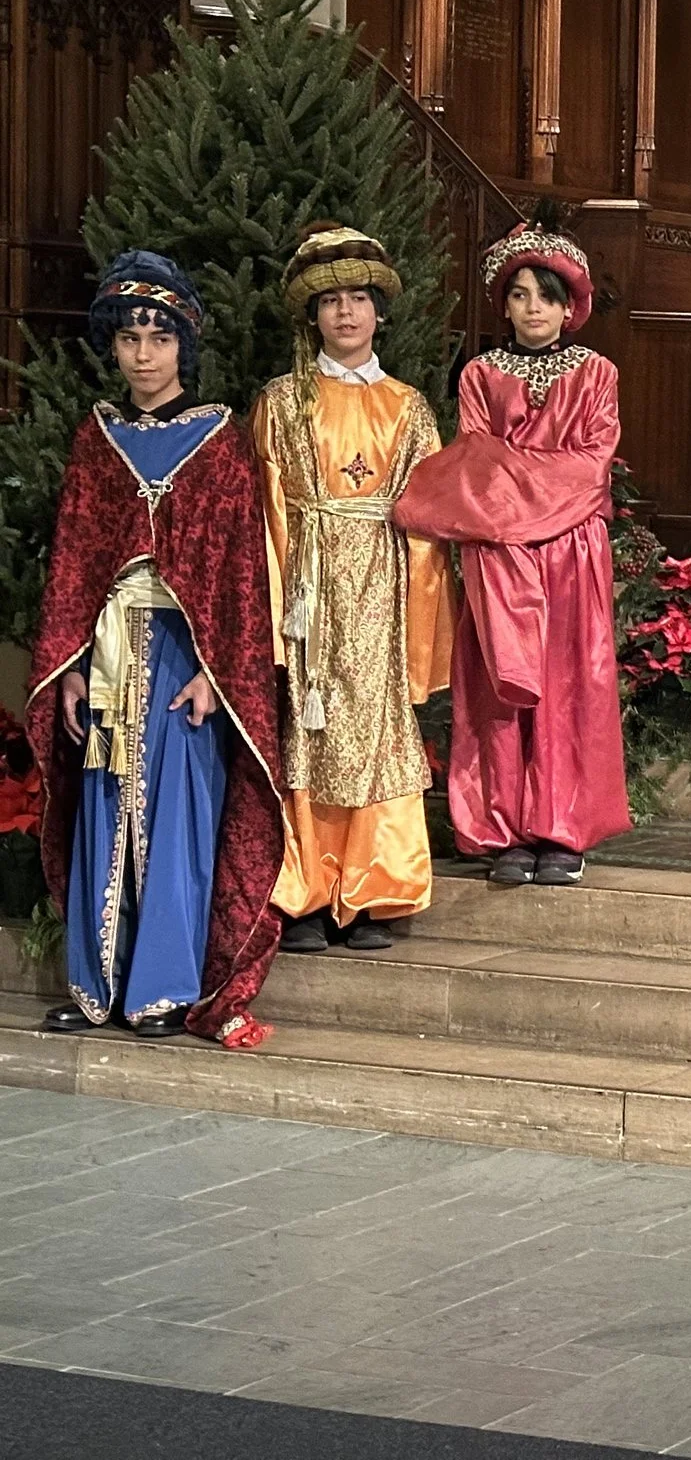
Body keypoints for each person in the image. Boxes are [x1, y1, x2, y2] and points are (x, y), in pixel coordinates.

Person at [28, 254, 286, 1048]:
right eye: (131, 338)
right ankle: (97, 984)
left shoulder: (220, 441)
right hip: (106, 655)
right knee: (105, 813)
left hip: (185, 660)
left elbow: (242, 571)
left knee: (176, 820)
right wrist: (70, 666)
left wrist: (218, 671)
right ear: (113, 347)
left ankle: (166, 989)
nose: (144, 354)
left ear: (184, 346)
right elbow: (73, 562)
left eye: (159, 338)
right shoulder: (95, 441)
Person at [393, 226, 631, 885]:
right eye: (520, 295)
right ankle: (504, 830)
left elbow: (590, 466)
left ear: (569, 307)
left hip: (570, 555)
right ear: (504, 304)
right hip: (499, 557)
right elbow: (475, 465)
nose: (533, 309)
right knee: (499, 688)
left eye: (546, 298)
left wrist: (516, 484)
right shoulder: (480, 375)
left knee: (567, 686)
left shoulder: (597, 375)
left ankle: (562, 828)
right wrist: (522, 491)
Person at [253, 226, 453, 953]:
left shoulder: (408, 406)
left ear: (378, 310)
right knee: (311, 729)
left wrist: (420, 622)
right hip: (310, 585)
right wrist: (277, 610)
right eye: (331, 300)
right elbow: (269, 508)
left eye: (358, 298)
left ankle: (372, 890)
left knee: (373, 729)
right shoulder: (281, 401)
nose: (346, 313)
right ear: (312, 314)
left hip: (383, 582)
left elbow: (430, 520)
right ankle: (304, 891)